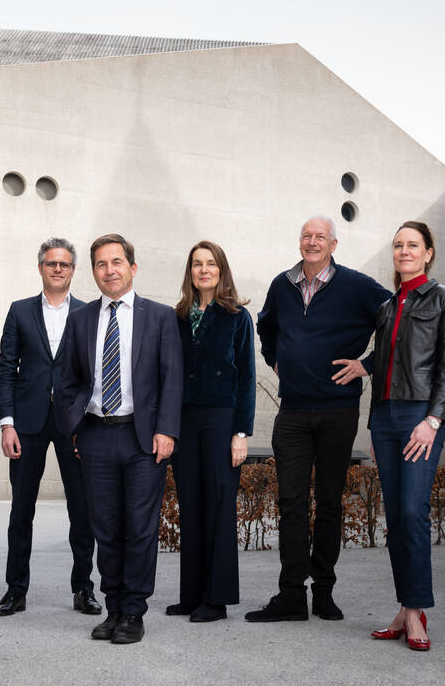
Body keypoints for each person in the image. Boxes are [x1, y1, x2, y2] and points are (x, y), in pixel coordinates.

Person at [250, 216, 390, 623]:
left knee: (329, 502)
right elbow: (265, 326)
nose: (312, 242)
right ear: (300, 242)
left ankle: (324, 592)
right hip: (293, 411)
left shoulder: (357, 286)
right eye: (306, 236)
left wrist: (367, 365)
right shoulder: (282, 285)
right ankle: (291, 595)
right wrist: (275, 359)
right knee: (291, 503)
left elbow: (398, 319)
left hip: (337, 411)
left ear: (333, 244)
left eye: (320, 237)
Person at [332, 221, 445, 651]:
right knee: (395, 518)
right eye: (398, 245)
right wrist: (364, 366)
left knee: (413, 512)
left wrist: (434, 420)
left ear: (428, 253)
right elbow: (392, 353)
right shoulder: (388, 306)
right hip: (385, 418)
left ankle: (416, 611)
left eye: (412, 245)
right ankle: (407, 610)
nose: (404, 251)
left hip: (420, 416)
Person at [59, 233, 183, 645]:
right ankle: (113, 608)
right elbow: (68, 381)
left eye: (116, 262)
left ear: (132, 267)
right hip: (96, 435)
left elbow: (172, 379)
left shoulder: (160, 317)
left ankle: (133, 611)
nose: (109, 270)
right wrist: (75, 428)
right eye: (100, 264)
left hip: (142, 438)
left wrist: (166, 430)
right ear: (93, 271)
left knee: (140, 528)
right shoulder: (80, 319)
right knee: (106, 528)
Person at [0, 238, 101, 618]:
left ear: (73, 270)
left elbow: (92, 376)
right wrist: (7, 423)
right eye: (51, 263)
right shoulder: (19, 311)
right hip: (27, 424)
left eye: (64, 264)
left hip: (74, 425)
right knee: (21, 511)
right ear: (41, 267)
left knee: (82, 512)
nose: (57, 269)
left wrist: (87, 424)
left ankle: (84, 588)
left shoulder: (88, 313)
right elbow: (6, 370)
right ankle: (15, 590)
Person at [166, 241, 256, 623]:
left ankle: (216, 600)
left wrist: (241, 433)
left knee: (218, 505)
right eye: (197, 264)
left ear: (221, 270)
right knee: (190, 504)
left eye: (211, 263)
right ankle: (191, 595)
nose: (204, 270)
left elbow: (247, 377)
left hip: (221, 419)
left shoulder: (237, 317)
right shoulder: (178, 316)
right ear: (190, 271)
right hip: (184, 420)